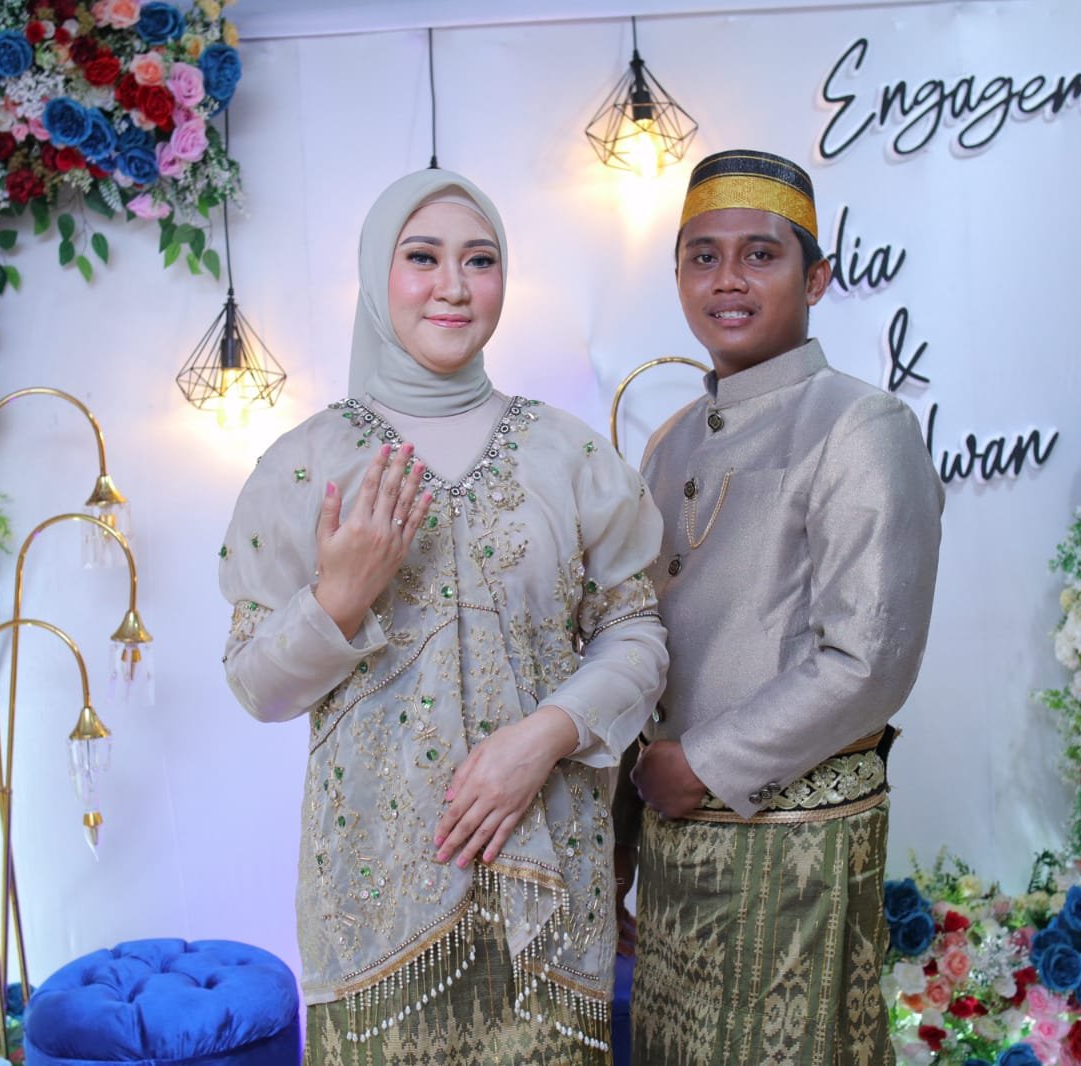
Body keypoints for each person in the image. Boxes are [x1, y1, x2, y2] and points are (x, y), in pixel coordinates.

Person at [219, 168, 668, 1065]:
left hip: (550, 885)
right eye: (422, 257)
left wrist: (545, 734)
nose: (454, 286)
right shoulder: (307, 464)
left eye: (481, 259)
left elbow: (638, 631)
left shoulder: (568, 454)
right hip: (376, 905)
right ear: (376, 277)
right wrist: (341, 595)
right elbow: (256, 687)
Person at [617, 149, 944, 1065]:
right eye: (703, 256)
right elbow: (639, 641)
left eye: (760, 254)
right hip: (674, 845)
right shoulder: (673, 440)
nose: (727, 279)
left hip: (795, 851)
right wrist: (621, 837)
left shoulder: (859, 423)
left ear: (817, 278)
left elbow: (870, 660)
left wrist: (704, 763)